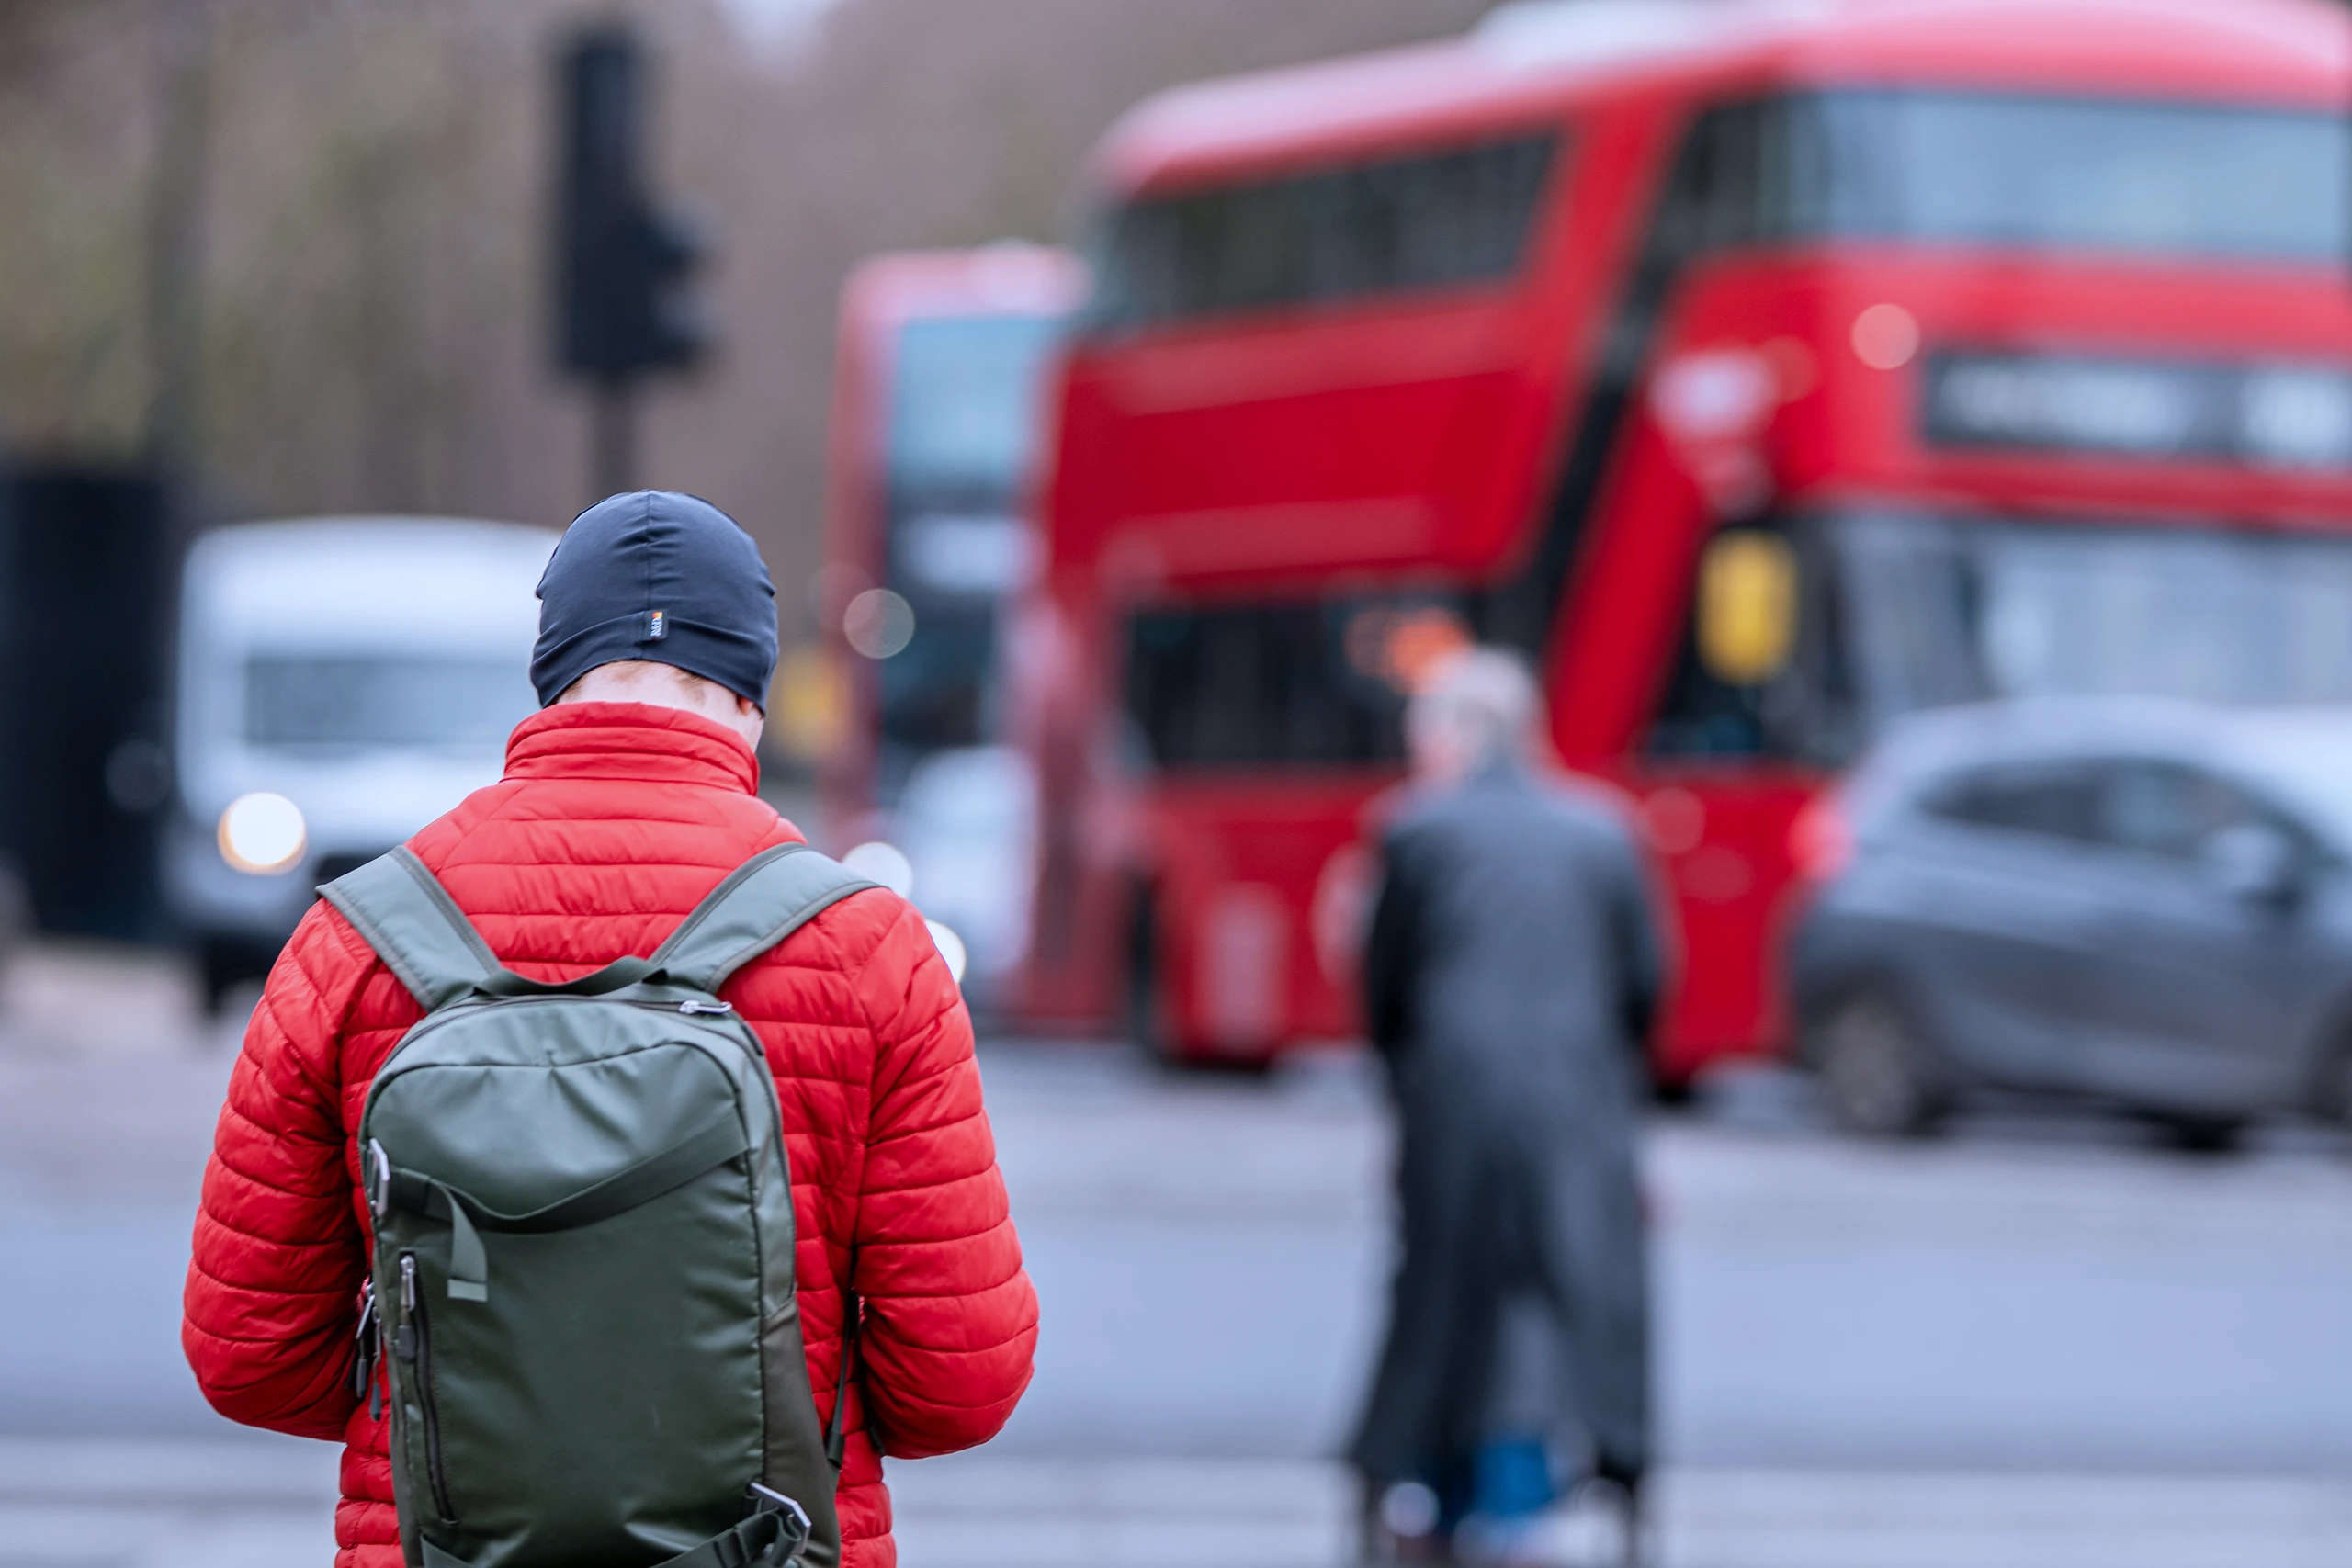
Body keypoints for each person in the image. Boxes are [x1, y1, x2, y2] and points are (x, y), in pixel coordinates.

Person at [183, 491, 1037, 1568]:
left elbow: (248, 1358)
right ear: (752, 691)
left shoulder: (354, 939)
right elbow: (960, 1385)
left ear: (550, 677)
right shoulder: (869, 947)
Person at [1348, 648, 1665, 1565]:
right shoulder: (1605, 832)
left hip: (1452, 1102)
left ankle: (1438, 1493)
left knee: (1442, 1297)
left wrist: (1405, 1089)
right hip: (1577, 1109)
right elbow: (1644, 983)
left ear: (1454, 738)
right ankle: (1531, 1492)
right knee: (1558, 1295)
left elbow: (1384, 990)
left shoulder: (1416, 832)